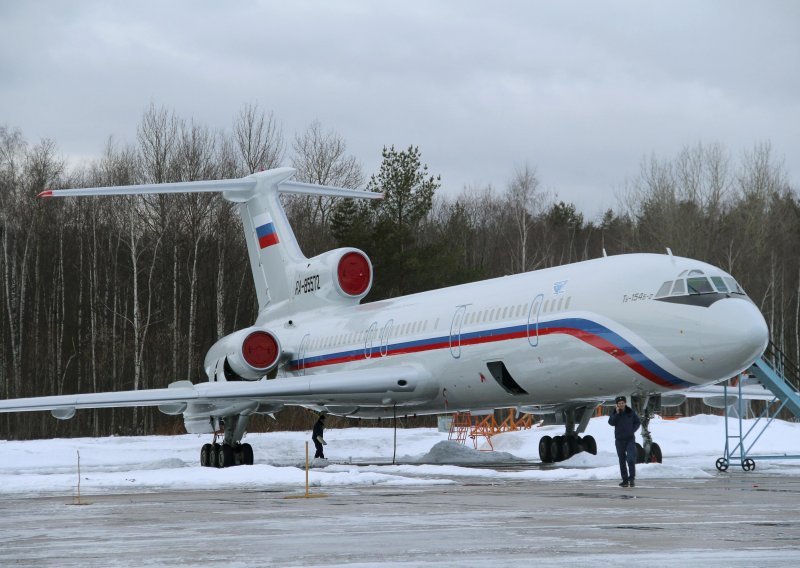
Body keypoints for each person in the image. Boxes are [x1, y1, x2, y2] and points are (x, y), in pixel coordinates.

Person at [608, 395, 640, 487]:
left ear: (625, 403)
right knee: (622, 460)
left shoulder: (631, 412)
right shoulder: (615, 412)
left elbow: (637, 422)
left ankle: (632, 478)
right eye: (619, 403)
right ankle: (625, 480)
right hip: (619, 440)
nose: (621, 405)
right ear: (617, 405)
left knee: (630, 459)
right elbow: (611, 423)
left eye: (622, 403)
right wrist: (617, 414)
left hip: (630, 439)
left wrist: (632, 430)